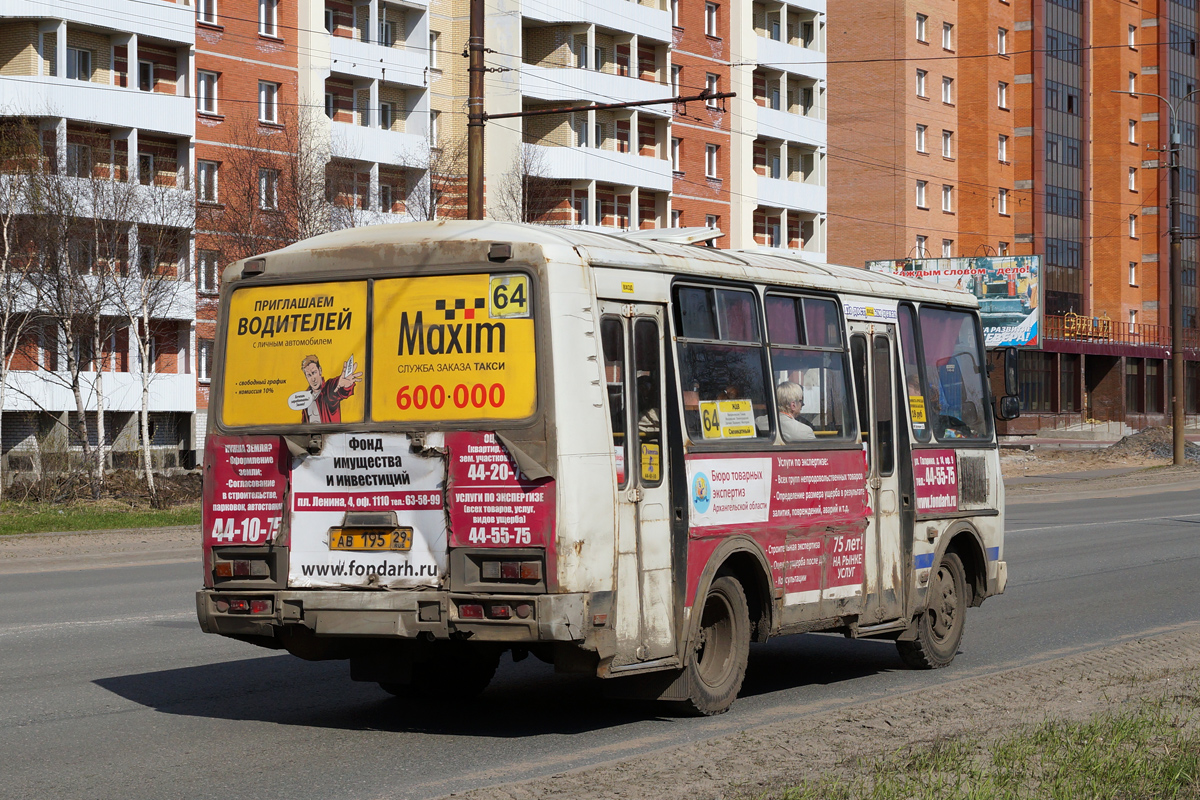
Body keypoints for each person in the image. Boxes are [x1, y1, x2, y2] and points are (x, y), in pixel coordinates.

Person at [300, 353, 362, 423]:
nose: (313, 379)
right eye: (309, 375)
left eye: (314, 372)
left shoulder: (328, 389)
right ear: (306, 377)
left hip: (329, 433)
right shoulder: (305, 397)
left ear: (320, 370)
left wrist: (344, 386)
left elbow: (337, 390)